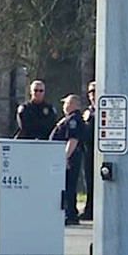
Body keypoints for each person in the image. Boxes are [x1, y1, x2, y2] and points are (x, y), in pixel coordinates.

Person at [51, 94, 86, 226]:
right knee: (66, 185)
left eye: (66, 103)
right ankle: (70, 212)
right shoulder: (70, 118)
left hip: (70, 156)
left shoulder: (73, 119)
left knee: (68, 185)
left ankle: (70, 214)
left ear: (72, 104)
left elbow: (73, 140)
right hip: (68, 156)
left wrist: (65, 158)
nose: (64, 106)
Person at [79, 81, 96, 220]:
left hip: (102, 150)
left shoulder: (106, 109)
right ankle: (89, 209)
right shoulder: (88, 111)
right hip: (88, 149)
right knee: (89, 180)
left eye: (95, 92)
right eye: (91, 92)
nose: (93, 95)